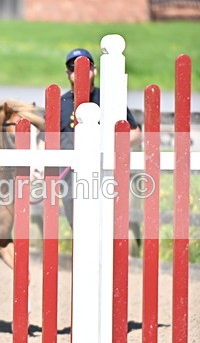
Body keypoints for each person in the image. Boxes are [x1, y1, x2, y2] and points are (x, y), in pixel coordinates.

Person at [59, 48, 142, 227]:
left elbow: (135, 133)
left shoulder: (109, 100)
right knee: (79, 228)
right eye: (72, 68)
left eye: (85, 66)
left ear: (94, 70)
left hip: (105, 173)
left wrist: (110, 145)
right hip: (69, 177)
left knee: (107, 226)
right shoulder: (61, 103)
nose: (78, 71)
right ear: (67, 72)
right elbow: (46, 140)